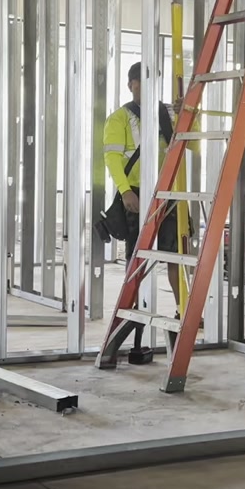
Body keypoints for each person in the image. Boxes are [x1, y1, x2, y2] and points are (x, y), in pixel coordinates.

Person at [102, 62, 185, 308]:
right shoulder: (119, 118)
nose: (148, 89)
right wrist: (125, 191)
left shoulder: (169, 113)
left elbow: (194, 145)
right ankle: (132, 308)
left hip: (169, 190)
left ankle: (184, 310)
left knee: (176, 254)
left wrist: (188, 115)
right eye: (141, 84)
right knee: (136, 255)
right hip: (137, 194)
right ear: (131, 85)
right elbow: (112, 157)